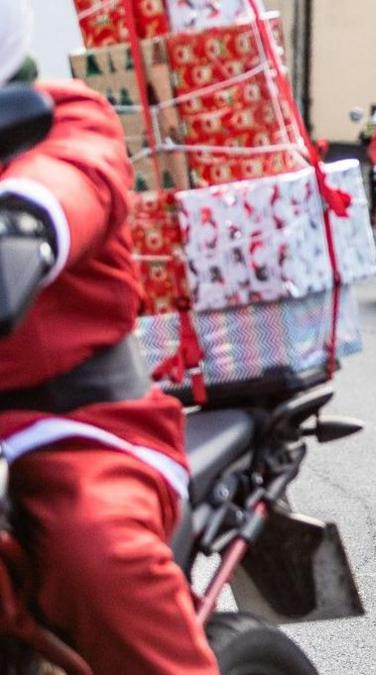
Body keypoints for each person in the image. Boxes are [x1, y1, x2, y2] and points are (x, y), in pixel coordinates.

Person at [0, 1, 217, 671]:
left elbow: (71, 180)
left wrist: (21, 225)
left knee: (94, 547)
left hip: (74, 423)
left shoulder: (63, 116)